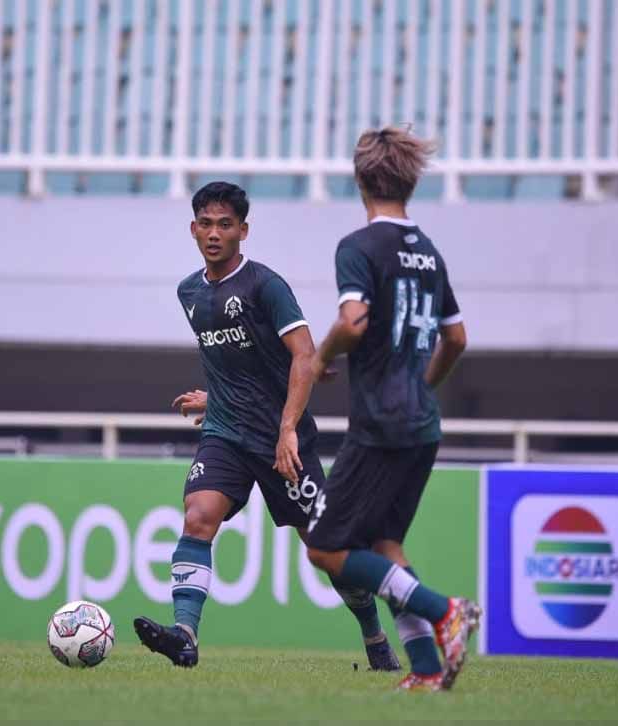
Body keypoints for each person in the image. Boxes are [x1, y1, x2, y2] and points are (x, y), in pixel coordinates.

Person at [133, 182, 401, 672]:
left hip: (282, 440)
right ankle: (185, 635)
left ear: (243, 231)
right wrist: (215, 398)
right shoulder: (188, 292)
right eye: (207, 224)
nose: (215, 234)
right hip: (225, 434)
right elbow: (242, 365)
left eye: (225, 225)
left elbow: (303, 358)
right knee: (198, 516)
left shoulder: (265, 286)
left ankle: (375, 636)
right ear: (193, 229)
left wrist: (287, 430)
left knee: (327, 550)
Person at [303, 128, 481, 692]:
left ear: (360, 181)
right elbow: (456, 339)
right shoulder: (428, 252)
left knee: (326, 548)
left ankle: (444, 609)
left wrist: (318, 359)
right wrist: (423, 387)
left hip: (379, 425)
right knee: (386, 546)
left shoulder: (359, 247)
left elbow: (352, 321)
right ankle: (428, 669)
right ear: (411, 181)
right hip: (421, 424)